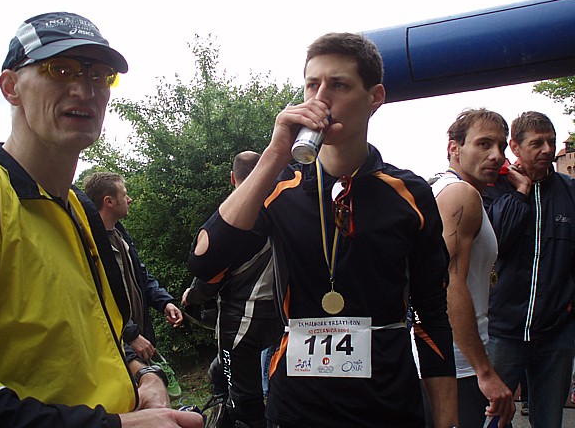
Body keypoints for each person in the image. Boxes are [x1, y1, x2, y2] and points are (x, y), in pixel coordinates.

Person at [0, 12, 202, 428]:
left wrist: (141, 373)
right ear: (10, 87)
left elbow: (98, 335)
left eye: (100, 75)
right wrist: (116, 426)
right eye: (60, 70)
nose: (85, 89)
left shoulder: (79, 208)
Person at [188, 32, 458, 427]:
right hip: (297, 408)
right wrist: (275, 154)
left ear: (375, 97)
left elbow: (432, 315)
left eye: (339, 85)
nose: (321, 98)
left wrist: (448, 422)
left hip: (387, 405)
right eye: (312, 85)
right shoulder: (280, 187)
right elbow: (205, 262)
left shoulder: (409, 193)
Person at [483, 111, 575, 428]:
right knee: (492, 419)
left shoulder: (569, 192)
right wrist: (521, 191)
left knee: (549, 421)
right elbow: (498, 241)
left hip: (556, 333)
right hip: (503, 331)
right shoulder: (495, 189)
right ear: (515, 147)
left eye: (551, 142)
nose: (547, 150)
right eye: (537, 143)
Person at [427, 109, 515, 427]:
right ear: (454, 148)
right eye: (484, 144)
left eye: (501, 146)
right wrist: (484, 372)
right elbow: (450, 283)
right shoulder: (461, 195)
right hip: (457, 365)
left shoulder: (444, 189)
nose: (496, 155)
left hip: (448, 359)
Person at [184, 151, 282, 428]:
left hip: (242, 318)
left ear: (232, 178)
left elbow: (209, 275)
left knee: (244, 400)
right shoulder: (280, 206)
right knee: (221, 373)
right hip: (280, 312)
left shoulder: (236, 220)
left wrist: (192, 297)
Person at [84, 171, 183, 363]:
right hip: (117, 347)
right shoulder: (90, 244)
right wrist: (130, 335)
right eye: (124, 194)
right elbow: (96, 300)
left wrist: (165, 302)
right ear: (109, 201)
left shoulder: (121, 235)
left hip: (139, 338)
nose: (129, 199)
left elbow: (142, 277)